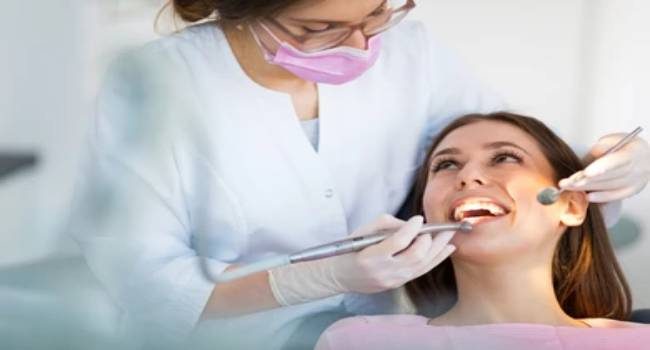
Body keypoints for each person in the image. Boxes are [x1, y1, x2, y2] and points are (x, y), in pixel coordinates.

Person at [69, 0, 650, 348]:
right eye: (319, 28)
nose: (362, 42)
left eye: (376, 12)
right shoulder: (156, 87)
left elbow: (501, 142)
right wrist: (309, 280)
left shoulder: (409, 52)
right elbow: (146, 284)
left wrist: (596, 164)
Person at [315, 112, 650, 350]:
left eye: (504, 158)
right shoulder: (359, 341)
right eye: (446, 165)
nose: (468, 175)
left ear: (572, 205)